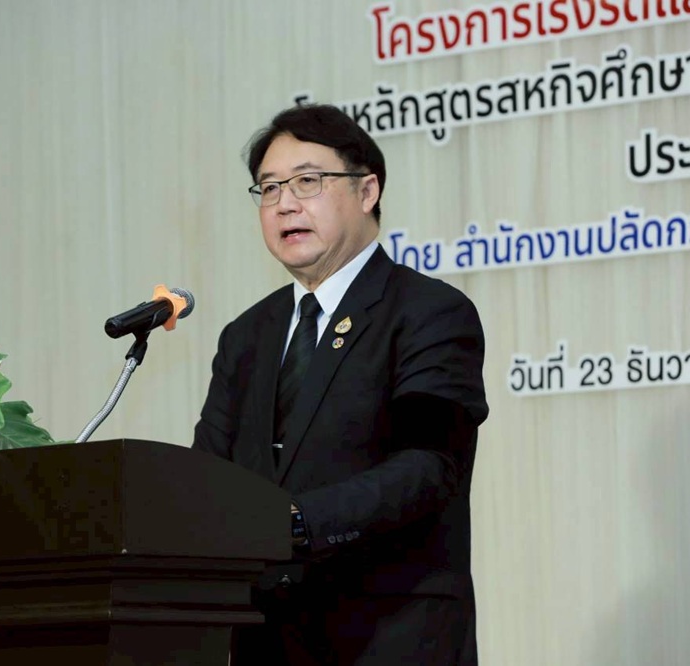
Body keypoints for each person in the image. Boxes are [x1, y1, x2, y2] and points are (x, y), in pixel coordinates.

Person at [192, 103, 488, 665]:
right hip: (266, 640)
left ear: (367, 190)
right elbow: (209, 474)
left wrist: (295, 523)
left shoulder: (429, 311)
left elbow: (429, 467)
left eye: (307, 181)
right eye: (269, 188)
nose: (285, 203)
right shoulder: (246, 336)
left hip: (390, 636)